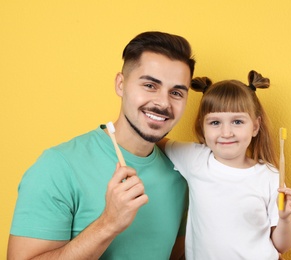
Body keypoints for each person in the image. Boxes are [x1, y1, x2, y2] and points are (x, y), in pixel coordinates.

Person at [8, 31, 195, 260]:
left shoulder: (182, 174)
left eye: (176, 93)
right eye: (149, 85)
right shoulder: (58, 166)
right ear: (120, 84)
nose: (163, 103)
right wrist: (109, 223)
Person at [157, 70, 291, 260]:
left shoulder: (269, 176)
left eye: (237, 121)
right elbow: (152, 139)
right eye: (215, 122)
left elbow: (282, 246)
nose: (226, 133)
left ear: (255, 126)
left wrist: (284, 219)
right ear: (203, 127)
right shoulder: (194, 159)